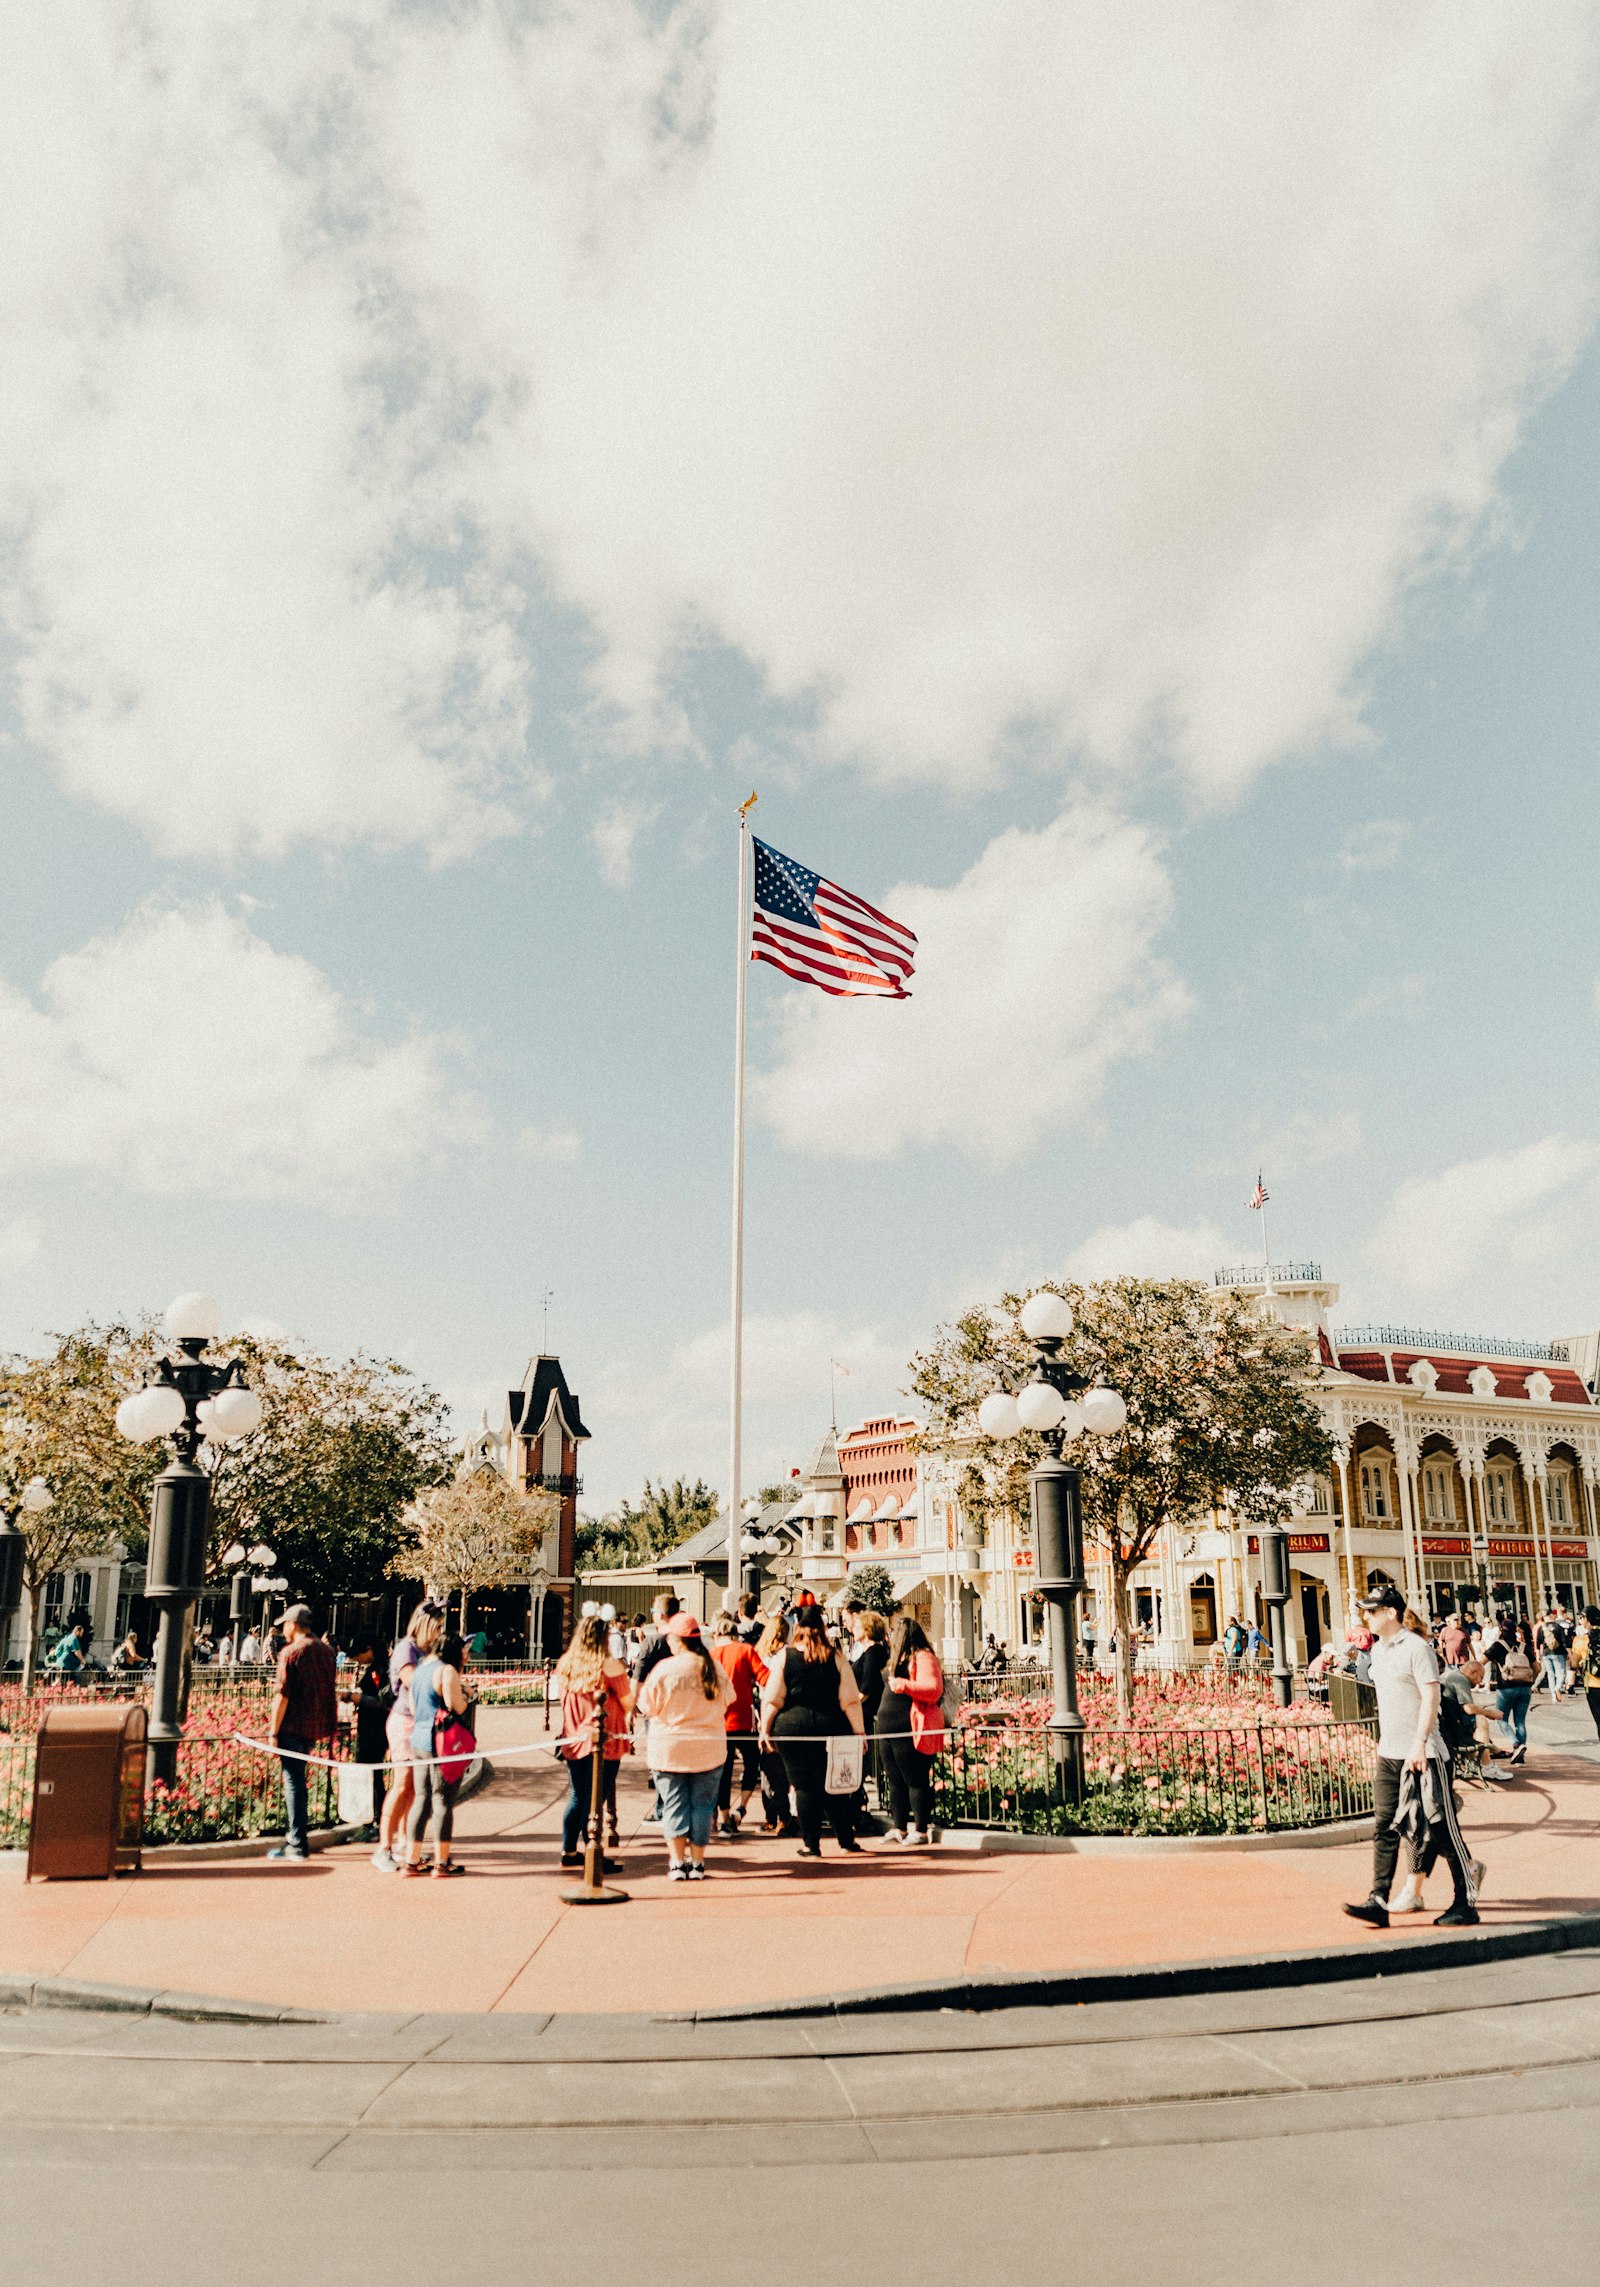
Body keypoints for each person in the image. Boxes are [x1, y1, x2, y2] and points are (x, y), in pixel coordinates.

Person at [1343, 1584, 1478, 1929]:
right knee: (1385, 1825)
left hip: (1425, 1753)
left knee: (1442, 1828)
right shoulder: (1379, 1651)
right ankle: (1378, 1898)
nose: (1366, 1617)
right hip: (1390, 1751)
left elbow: (1430, 1697)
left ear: (1390, 1613)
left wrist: (1419, 1742)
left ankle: (1465, 1902)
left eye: (1372, 1611)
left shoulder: (1417, 1648)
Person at [759, 1604, 865, 1857]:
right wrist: (859, 1732)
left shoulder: (786, 1656)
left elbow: (773, 1698)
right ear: (823, 1628)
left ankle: (811, 1845)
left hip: (793, 1730)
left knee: (804, 1786)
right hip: (832, 1727)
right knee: (836, 1786)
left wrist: (765, 1729)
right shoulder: (836, 1656)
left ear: (798, 1628)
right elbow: (849, 1700)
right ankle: (846, 1841)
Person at [634, 1614, 732, 1880]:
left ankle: (677, 1862)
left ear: (677, 1641)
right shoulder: (713, 1667)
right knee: (702, 1806)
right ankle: (698, 1863)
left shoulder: (665, 1669)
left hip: (670, 1747)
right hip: (708, 1747)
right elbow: (728, 1700)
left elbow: (647, 1706)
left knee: (674, 1804)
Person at [554, 1614, 632, 1869]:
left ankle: (569, 1849)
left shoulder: (566, 1663)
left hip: (574, 1736)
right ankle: (592, 1851)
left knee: (577, 1795)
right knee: (596, 1798)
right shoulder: (609, 1665)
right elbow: (627, 1701)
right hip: (604, 1738)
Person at [374, 1601, 444, 1871]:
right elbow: (413, 1682)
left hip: (421, 1722)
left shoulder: (427, 1651)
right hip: (405, 1720)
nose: (439, 1632)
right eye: (437, 1627)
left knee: (415, 1787)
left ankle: (406, 1843)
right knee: (403, 1783)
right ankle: (384, 1848)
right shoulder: (407, 1648)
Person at [267, 1606, 337, 1863]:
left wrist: (273, 1731)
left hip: (292, 1725)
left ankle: (297, 1843)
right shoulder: (327, 1651)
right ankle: (295, 1839)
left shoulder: (291, 1652)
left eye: (284, 1624)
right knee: (298, 1780)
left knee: (293, 1782)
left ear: (292, 1625)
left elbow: (282, 1695)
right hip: (313, 1725)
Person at [403, 1628, 474, 1877]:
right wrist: (468, 1695)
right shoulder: (446, 1670)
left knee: (421, 1800)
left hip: (419, 1739)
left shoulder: (420, 1669)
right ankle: (442, 1863)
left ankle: (411, 1861)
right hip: (441, 1742)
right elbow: (456, 1704)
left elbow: (412, 1707)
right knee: (443, 1800)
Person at [875, 1615, 945, 1844]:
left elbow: (933, 1689)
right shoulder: (896, 1659)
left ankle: (922, 1829)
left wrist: (903, 1685)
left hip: (910, 1727)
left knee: (915, 1778)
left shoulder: (923, 1657)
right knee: (894, 1778)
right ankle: (899, 1827)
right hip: (888, 1728)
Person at [709, 1612, 766, 1836]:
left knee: (723, 1771)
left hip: (719, 1721)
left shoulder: (712, 1655)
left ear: (717, 1634)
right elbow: (764, 1677)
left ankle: (724, 1818)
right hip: (745, 1719)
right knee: (752, 1764)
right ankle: (741, 1808)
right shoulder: (746, 1651)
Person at [631, 1594, 682, 1823]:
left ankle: (663, 1809)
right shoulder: (687, 1638)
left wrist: (630, 1707)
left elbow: (637, 1678)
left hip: (658, 1708)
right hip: (685, 1706)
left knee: (660, 1760)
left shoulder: (652, 1642)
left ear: (660, 1614)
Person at [343, 1635, 391, 1840]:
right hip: (371, 1727)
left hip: (375, 1729)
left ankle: (375, 1824)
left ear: (369, 1649)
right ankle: (374, 1823)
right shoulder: (375, 1667)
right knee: (371, 1776)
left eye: (357, 1655)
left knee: (371, 1776)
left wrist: (357, 1698)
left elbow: (383, 1701)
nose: (356, 1660)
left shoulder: (381, 1669)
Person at [753, 1611, 797, 1833]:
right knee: (784, 1769)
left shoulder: (760, 1654)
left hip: (763, 1711)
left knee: (768, 1770)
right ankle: (786, 1816)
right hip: (783, 1711)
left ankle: (771, 1814)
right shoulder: (788, 1655)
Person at [1483, 1618, 1534, 1764]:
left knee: (1501, 1718)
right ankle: (1520, 1758)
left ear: (1500, 1630)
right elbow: (1537, 1667)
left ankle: (1516, 1745)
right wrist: (1530, 1681)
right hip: (1525, 1687)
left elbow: (1482, 1661)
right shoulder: (1523, 1646)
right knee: (1520, 1722)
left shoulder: (1498, 1645)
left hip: (1506, 1687)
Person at [1537, 1608, 1569, 1703]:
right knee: (1561, 1673)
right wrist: (1569, 1653)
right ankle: (1558, 1687)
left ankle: (1553, 1697)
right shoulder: (1558, 1626)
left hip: (1546, 1653)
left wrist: (1538, 1655)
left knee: (1550, 1675)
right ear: (1551, 1615)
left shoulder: (1541, 1628)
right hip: (1558, 1652)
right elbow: (1564, 1641)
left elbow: (1538, 1643)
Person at [1579, 1605, 1600, 1742]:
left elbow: (1574, 1663)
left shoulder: (1581, 1640)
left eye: (1582, 1618)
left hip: (1593, 1686)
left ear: (1587, 1619)